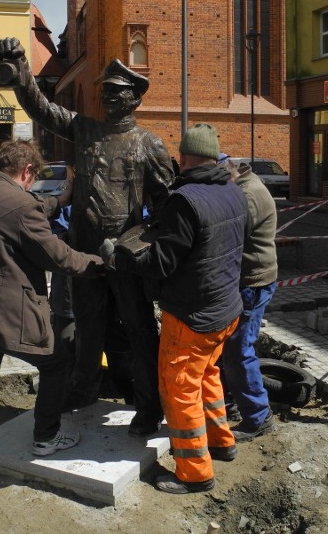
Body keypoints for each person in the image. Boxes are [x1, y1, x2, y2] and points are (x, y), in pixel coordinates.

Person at [0, 37, 174, 437]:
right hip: (85, 256)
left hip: (127, 260)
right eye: (105, 91)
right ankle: (83, 392)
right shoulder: (85, 130)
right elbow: (42, 109)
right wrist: (22, 69)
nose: (108, 97)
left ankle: (148, 407)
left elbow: (166, 212)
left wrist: (140, 249)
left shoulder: (150, 145)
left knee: (141, 334)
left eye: (117, 92)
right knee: (87, 331)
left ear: (134, 99)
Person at [0, 140, 104, 528]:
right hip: (6, 320)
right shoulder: (21, 206)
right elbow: (59, 257)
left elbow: (23, 209)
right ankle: (45, 438)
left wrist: (60, 199)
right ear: (27, 173)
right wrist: (103, 263)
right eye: (34, 180)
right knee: (55, 363)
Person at [106, 124, 248, 494]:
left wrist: (119, 258)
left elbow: (160, 264)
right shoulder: (233, 192)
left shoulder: (185, 201)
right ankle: (221, 441)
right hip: (225, 308)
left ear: (183, 158)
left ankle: (194, 473)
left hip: (192, 315)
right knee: (207, 375)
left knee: (179, 388)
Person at [220, 156, 279, 442]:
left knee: (238, 350)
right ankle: (232, 405)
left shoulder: (247, 194)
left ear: (230, 172)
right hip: (249, 280)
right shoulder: (244, 187)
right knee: (231, 348)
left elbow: (228, 237)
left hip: (253, 283)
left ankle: (258, 416)